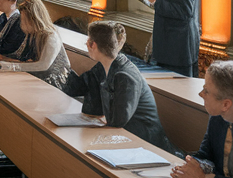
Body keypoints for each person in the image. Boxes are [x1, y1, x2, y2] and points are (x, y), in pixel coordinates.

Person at [64, 21, 173, 151]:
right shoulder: (102, 67)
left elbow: (117, 122)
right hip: (123, 138)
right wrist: (62, 65)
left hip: (146, 143)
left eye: (88, 41)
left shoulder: (125, 76)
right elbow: (76, 88)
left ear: (92, 44)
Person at [0, 0, 70, 89]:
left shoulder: (51, 36)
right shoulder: (34, 33)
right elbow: (24, 59)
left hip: (58, 81)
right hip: (40, 76)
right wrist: (3, 59)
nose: (21, 24)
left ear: (34, 19)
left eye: (24, 21)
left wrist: (10, 66)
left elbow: (43, 66)